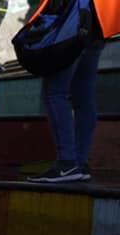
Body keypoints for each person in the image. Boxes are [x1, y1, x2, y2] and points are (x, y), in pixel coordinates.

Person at [28, 0, 116, 183]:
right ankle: (80, 163)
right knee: (83, 94)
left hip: (74, 20)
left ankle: (67, 163)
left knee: (54, 93)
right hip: (100, 24)